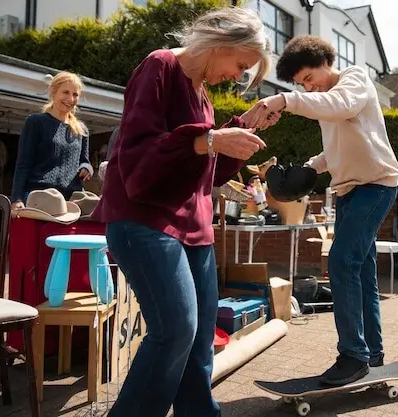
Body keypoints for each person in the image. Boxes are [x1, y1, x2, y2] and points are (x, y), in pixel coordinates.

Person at [90, 7, 278, 417]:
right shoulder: (159, 67)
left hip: (194, 228)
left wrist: (240, 130)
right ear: (221, 43)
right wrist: (209, 140)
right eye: (240, 65)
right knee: (176, 330)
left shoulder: (202, 95)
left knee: (198, 338)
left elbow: (205, 170)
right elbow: (137, 157)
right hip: (145, 220)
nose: (237, 76)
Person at [246, 35, 398, 386]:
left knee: (341, 262)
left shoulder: (354, 80)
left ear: (324, 63)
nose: (307, 88)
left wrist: (284, 99)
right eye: (300, 85)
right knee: (361, 272)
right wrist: (308, 168)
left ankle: (353, 356)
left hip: (375, 186)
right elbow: (337, 149)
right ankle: (371, 354)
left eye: (308, 78)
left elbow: (339, 105)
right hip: (349, 191)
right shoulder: (328, 103)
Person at [10, 71, 93, 209]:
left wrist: (86, 168)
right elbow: (23, 164)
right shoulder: (35, 122)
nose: (71, 99)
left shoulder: (81, 130)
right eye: (65, 92)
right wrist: (17, 198)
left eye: (75, 94)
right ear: (53, 92)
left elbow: (84, 161)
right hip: (39, 198)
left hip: (70, 201)